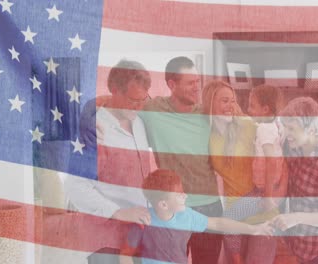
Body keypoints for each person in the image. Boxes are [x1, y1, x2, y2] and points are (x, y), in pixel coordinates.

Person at [65, 60, 153, 261]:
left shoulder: (139, 123)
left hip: (138, 234)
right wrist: (118, 212)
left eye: (143, 99)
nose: (138, 107)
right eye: (133, 99)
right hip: (105, 241)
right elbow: (75, 186)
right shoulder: (93, 131)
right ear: (114, 90)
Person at [139, 57, 223, 263]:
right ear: (171, 85)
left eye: (197, 82)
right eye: (190, 83)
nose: (196, 88)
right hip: (172, 208)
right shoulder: (153, 110)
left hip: (209, 205)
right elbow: (118, 100)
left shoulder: (207, 114)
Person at [202, 81, 287, 264]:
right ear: (210, 103)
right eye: (225, 101)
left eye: (233, 101)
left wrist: (274, 195)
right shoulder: (208, 135)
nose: (231, 106)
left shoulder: (251, 125)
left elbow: (279, 159)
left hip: (262, 215)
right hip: (234, 214)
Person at [119, 169, 273, 264]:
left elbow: (219, 224)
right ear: (164, 205)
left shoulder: (187, 216)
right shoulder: (143, 222)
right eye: (179, 195)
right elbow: (125, 255)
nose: (185, 196)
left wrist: (253, 229)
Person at [270, 97, 318, 264]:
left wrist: (296, 217)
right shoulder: (294, 146)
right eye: (285, 127)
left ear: (312, 130)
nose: (286, 133)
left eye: (291, 128)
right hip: (302, 239)